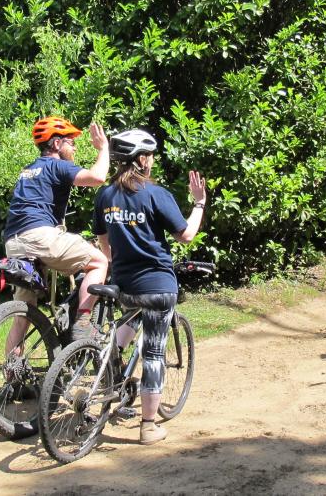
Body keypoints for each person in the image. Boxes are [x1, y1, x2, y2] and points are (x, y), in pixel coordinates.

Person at [94, 129, 207, 445]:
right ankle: (148, 426)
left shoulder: (105, 196)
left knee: (130, 318)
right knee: (154, 352)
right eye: (151, 156)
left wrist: (117, 264)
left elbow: (104, 242)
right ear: (142, 160)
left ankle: (107, 364)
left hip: (124, 284)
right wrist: (198, 204)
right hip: (157, 285)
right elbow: (185, 235)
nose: (153, 161)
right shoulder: (156, 194)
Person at [3, 116, 110, 342]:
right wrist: (103, 148)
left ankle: (12, 373)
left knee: (22, 314)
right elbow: (98, 177)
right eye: (70, 141)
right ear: (56, 144)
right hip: (40, 237)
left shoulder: (28, 170)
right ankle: (82, 322)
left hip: (13, 242)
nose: (75, 146)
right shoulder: (57, 165)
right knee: (100, 261)